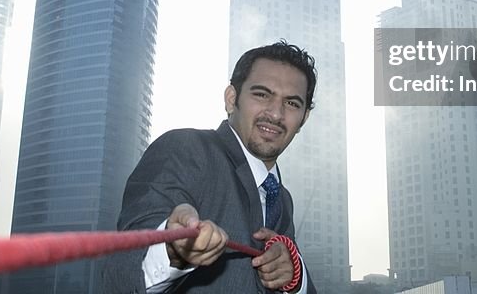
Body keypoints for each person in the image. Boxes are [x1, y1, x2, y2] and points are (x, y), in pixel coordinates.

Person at [100, 41, 318, 293]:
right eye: (262, 94)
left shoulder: (282, 198)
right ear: (231, 99)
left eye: (291, 103)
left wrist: (295, 277)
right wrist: (171, 250)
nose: (276, 113)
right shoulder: (185, 149)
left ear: (304, 118)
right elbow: (121, 274)